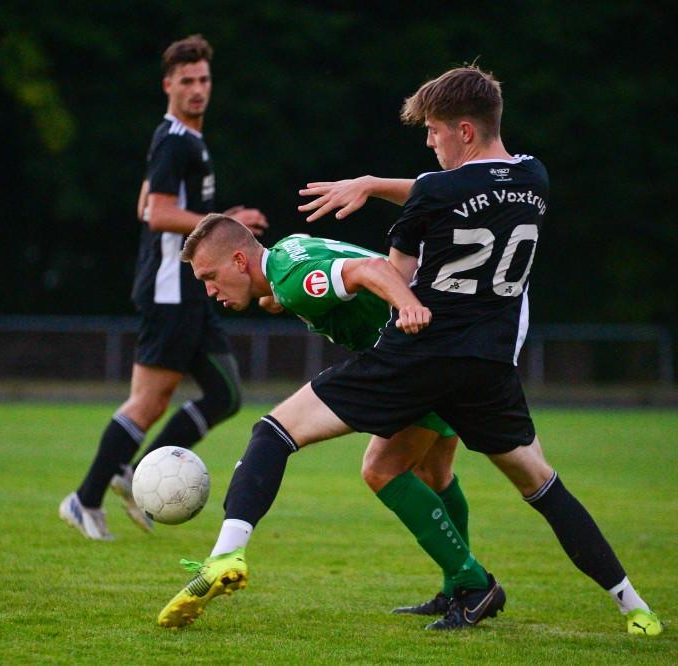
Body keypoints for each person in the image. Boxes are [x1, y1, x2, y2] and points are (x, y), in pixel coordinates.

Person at [157, 65, 662, 635]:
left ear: (464, 131)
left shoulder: (430, 196)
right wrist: (374, 188)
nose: (429, 142)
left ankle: (231, 552)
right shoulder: (535, 178)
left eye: (435, 131)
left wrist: (405, 300)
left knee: (292, 438)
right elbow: (459, 188)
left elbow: (387, 265)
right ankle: (631, 604)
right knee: (531, 484)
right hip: (493, 356)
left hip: (421, 352)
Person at [176, 212, 494, 618]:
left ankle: (473, 583)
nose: (208, 290)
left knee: (375, 467)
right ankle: (462, 589)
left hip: (414, 353)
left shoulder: (292, 279)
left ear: (239, 262)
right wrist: (273, 296)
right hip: (442, 343)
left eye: (210, 276)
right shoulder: (286, 259)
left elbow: (371, 268)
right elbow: (317, 267)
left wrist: (407, 305)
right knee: (433, 475)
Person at [59, 34, 267, 540]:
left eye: (204, 80)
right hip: (170, 290)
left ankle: (132, 470)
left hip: (192, 290)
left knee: (225, 392)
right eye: (187, 81)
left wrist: (216, 222)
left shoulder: (184, 140)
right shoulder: (174, 140)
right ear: (168, 85)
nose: (198, 89)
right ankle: (85, 499)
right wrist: (224, 222)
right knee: (149, 402)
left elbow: (144, 205)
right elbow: (156, 214)